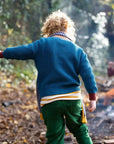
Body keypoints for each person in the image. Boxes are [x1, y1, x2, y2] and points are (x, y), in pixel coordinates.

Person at [0, 10, 97, 144]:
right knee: (80, 130)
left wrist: (2, 53)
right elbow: (88, 75)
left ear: (48, 29)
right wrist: (92, 98)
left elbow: (20, 51)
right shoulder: (77, 50)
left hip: (50, 100)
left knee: (54, 137)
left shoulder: (41, 45)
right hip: (72, 99)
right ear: (68, 30)